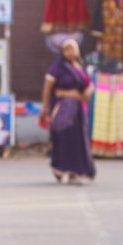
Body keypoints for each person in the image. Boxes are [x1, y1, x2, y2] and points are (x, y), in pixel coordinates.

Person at [39, 37, 96, 185]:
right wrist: (45, 108)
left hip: (79, 112)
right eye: (67, 49)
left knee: (78, 141)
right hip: (63, 111)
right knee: (64, 140)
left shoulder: (80, 67)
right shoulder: (57, 68)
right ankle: (61, 169)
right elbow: (48, 89)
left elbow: (89, 84)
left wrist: (87, 93)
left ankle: (77, 171)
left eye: (73, 48)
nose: (70, 52)